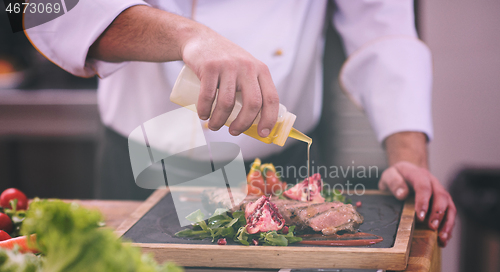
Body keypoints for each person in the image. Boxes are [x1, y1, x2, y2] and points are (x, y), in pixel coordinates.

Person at [25, 0, 455, 246]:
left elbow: (381, 20)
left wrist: (409, 155)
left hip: (285, 172)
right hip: (144, 168)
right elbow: (49, 9)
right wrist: (188, 36)